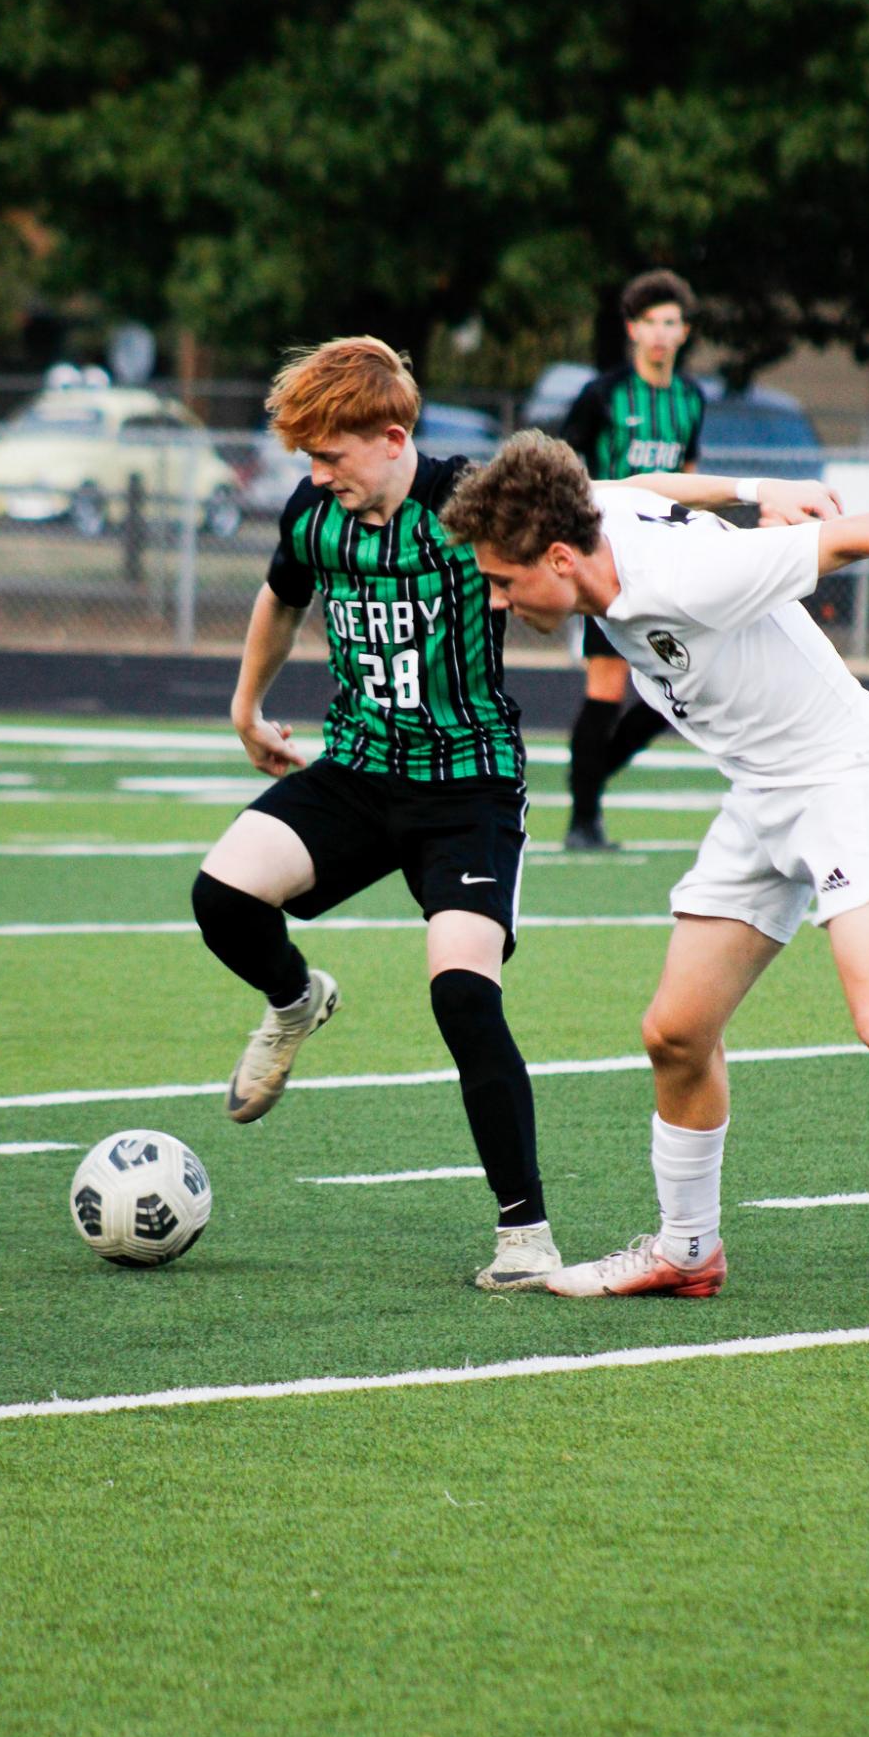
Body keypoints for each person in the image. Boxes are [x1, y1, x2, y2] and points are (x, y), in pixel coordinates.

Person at [442, 431, 869, 1345]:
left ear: (556, 556)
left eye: (503, 582)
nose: (498, 599)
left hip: (847, 779)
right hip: (762, 792)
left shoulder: (689, 575)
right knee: (675, 1032)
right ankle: (688, 1248)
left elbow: (856, 536)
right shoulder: (592, 511)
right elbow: (634, 479)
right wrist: (756, 484)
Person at [191, 337, 561, 1292]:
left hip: (468, 782)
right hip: (358, 767)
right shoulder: (318, 512)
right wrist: (245, 706)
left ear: (394, 437)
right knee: (223, 895)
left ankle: (525, 1233)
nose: (316, 478)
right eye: (307, 461)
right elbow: (282, 596)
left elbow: (590, 539)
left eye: (331, 458)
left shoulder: (471, 502)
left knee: (462, 997)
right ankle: (294, 998)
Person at [560, 269, 706, 849]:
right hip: (607, 557)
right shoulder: (603, 395)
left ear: (685, 331)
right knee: (606, 686)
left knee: (681, 684)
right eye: (649, 322)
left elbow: (690, 478)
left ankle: (591, 778)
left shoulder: (691, 400)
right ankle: (583, 821)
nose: (660, 334)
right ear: (631, 329)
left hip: (666, 559)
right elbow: (566, 465)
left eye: (670, 322)